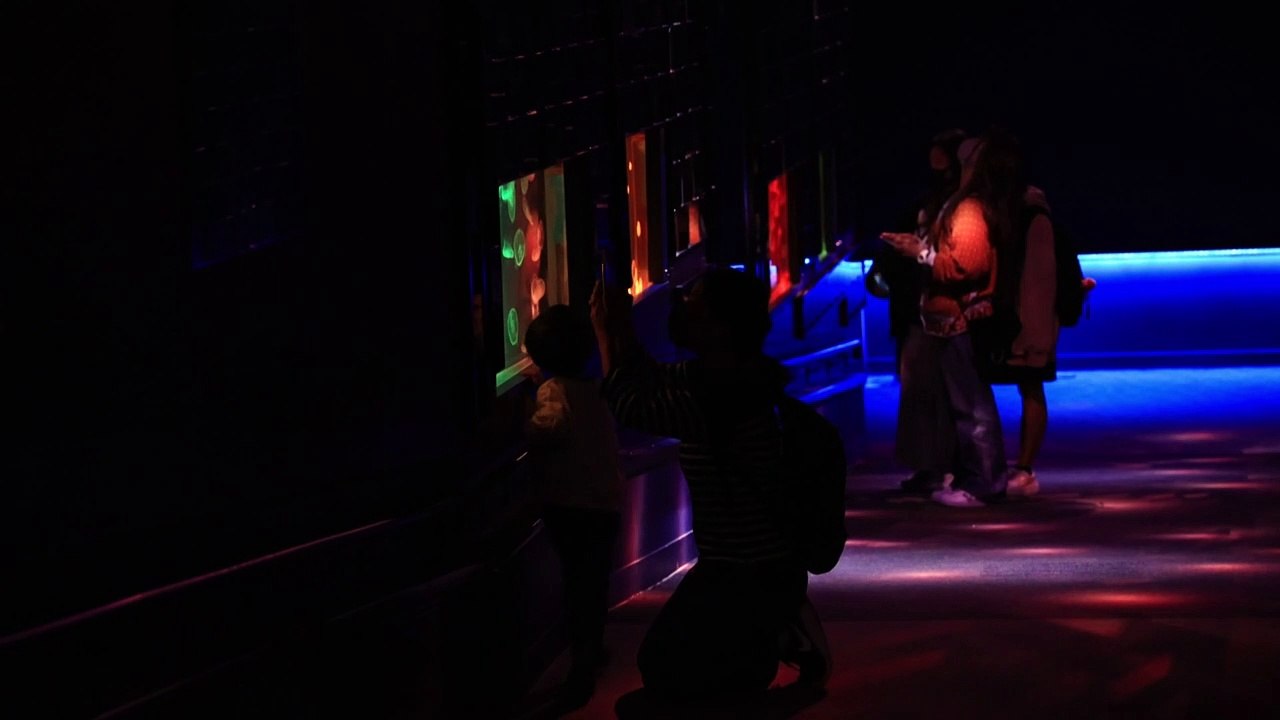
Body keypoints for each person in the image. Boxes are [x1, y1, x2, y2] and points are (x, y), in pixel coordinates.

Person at [589, 267, 831, 702]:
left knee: (663, 669)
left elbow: (630, 405)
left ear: (719, 327)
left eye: (693, 301)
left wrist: (606, 334)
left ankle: (760, 672)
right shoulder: (736, 374)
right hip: (751, 563)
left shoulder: (723, 399)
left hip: (746, 569)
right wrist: (623, 329)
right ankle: (767, 645)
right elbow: (652, 378)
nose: (680, 304)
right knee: (673, 666)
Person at [880, 126, 1023, 507]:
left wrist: (922, 255)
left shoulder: (970, 209)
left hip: (960, 322)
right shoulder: (967, 206)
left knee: (972, 407)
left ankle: (984, 483)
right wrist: (921, 249)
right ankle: (976, 479)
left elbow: (966, 267)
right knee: (967, 405)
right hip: (949, 322)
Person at [522, 304, 625, 710]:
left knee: (576, 585)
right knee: (594, 583)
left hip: (571, 505)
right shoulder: (595, 388)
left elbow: (547, 429)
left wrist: (522, 412)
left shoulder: (553, 391)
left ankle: (579, 671)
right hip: (605, 504)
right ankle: (593, 650)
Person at [870, 129, 968, 494]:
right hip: (918, 309)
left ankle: (941, 464)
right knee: (923, 390)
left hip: (932, 310)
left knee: (933, 391)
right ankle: (933, 464)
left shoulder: (952, 204)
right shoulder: (932, 201)